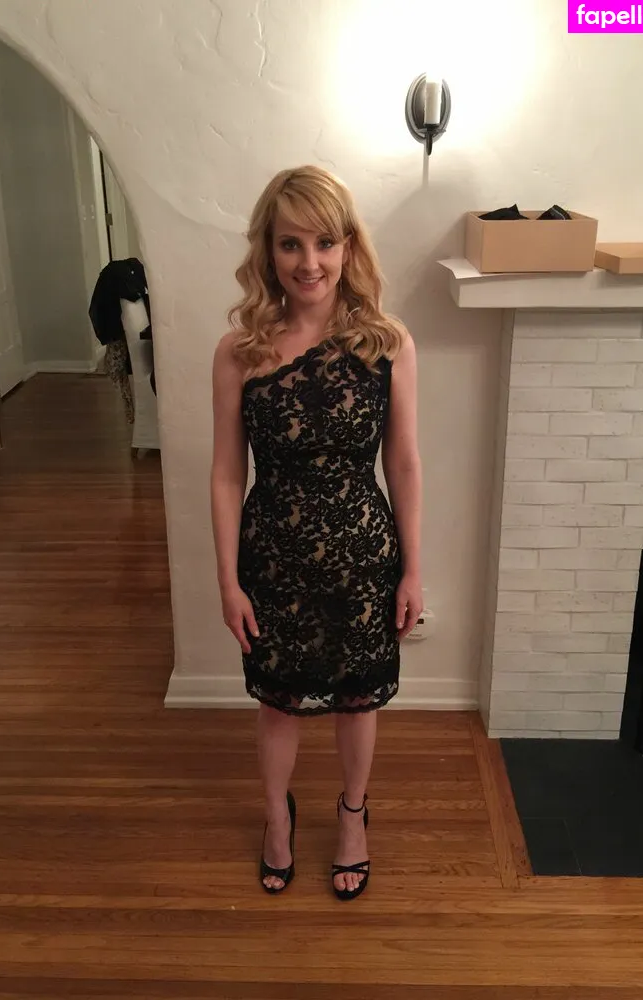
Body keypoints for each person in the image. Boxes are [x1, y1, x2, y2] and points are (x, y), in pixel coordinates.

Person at [210, 165, 422, 900]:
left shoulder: (387, 343)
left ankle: (353, 815)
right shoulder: (239, 352)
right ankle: (278, 817)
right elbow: (226, 475)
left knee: (357, 701)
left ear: (348, 246)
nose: (309, 262)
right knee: (278, 703)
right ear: (267, 251)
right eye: (290, 244)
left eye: (325, 242)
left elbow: (404, 463)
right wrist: (228, 580)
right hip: (273, 561)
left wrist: (413, 570)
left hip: (365, 559)